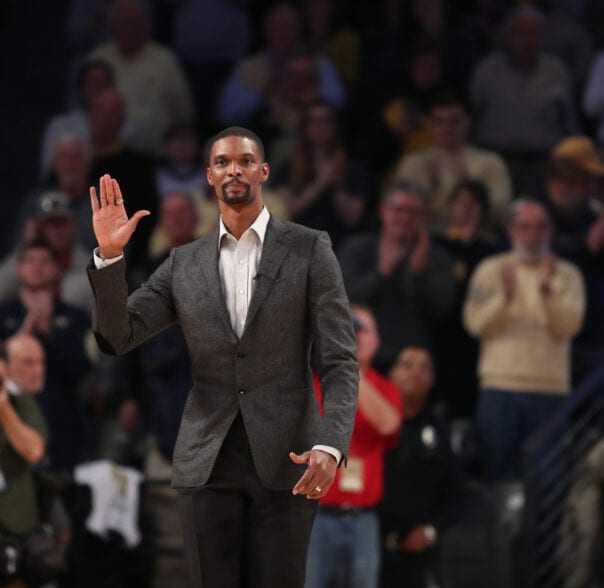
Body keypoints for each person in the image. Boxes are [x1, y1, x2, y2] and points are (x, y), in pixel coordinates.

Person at [87, 126, 359, 587]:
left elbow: (339, 361)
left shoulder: (310, 248)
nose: (234, 169)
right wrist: (110, 259)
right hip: (206, 457)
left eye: (246, 160)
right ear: (208, 177)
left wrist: (330, 446)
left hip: (288, 457)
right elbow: (118, 336)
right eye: (222, 162)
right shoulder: (181, 263)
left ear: (264, 171)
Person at [463, 200, 585, 479]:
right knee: (496, 471)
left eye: (541, 227)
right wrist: (504, 299)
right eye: (524, 227)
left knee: (549, 477)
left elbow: (570, 326)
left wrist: (547, 291)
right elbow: (475, 324)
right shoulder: (490, 270)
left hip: (550, 388)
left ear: (551, 232)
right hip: (499, 385)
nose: (533, 235)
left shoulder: (567, 275)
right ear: (511, 231)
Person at [305, 304, 402, 588]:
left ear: (377, 341)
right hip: (316, 516)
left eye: (362, 329)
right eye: (349, 328)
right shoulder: (314, 384)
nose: (356, 335)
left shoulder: (386, 389)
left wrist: (351, 369)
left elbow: (388, 425)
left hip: (364, 519)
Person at [338, 181, 457, 372]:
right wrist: (382, 272)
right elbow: (342, 298)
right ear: (383, 210)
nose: (404, 218)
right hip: (362, 361)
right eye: (398, 209)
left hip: (413, 363)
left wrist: (420, 274)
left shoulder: (436, 257)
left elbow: (443, 309)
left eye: (413, 212)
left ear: (423, 217)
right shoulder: (357, 249)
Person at [380, 346, 463, 588]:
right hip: (367, 544)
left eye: (423, 367)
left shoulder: (438, 430)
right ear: (392, 373)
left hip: (416, 557)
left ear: (432, 380)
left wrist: (430, 532)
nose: (415, 373)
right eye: (407, 365)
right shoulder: (370, 422)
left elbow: (457, 493)